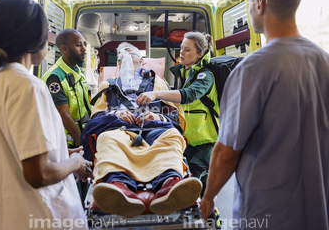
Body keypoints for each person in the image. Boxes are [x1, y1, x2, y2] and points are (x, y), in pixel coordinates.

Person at [200, 0, 329, 229]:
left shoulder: (251, 69)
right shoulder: (323, 61)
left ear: (259, 3)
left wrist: (208, 198)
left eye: (249, 0)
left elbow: (226, 152)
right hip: (318, 213)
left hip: (265, 216)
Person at [0, 0, 93, 230]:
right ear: (36, 39)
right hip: (38, 217)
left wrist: (61, 152)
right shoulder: (29, 86)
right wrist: (74, 162)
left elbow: (12, 149)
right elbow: (38, 174)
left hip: (4, 216)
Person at [81, 42, 202, 218]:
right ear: (118, 63)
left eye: (131, 53)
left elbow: (175, 118)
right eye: (122, 54)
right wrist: (115, 115)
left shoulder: (157, 82)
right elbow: (94, 121)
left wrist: (159, 117)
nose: (127, 56)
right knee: (106, 139)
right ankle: (118, 186)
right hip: (119, 130)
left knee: (173, 136)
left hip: (155, 129)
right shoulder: (108, 85)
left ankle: (170, 183)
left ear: (142, 60)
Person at [136, 31, 217, 195]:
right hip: (188, 141)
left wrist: (156, 94)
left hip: (206, 144)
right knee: (193, 185)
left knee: (193, 187)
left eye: (187, 50)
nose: (181, 53)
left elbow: (188, 95)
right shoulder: (185, 73)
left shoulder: (205, 76)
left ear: (200, 54)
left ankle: (209, 218)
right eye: (181, 48)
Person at [41, 28, 91, 148]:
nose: (84, 49)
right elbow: (65, 116)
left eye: (83, 44)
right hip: (65, 146)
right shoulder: (55, 78)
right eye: (79, 45)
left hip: (81, 138)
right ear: (65, 48)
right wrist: (84, 146)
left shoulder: (77, 73)